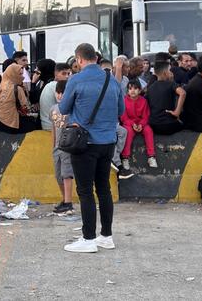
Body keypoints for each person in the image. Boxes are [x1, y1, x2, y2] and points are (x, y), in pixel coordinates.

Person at [59, 43, 123, 253]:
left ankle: (88, 239)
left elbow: (63, 107)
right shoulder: (111, 80)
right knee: (103, 188)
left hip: (85, 143)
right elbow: (120, 110)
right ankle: (106, 236)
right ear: (95, 57)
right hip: (108, 142)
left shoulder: (76, 80)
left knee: (85, 191)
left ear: (79, 59)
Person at [120, 79, 157, 170]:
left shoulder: (143, 101)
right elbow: (123, 117)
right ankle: (125, 157)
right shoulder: (124, 101)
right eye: (130, 88)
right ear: (127, 91)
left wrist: (141, 125)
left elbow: (146, 116)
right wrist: (132, 124)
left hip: (141, 124)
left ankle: (151, 156)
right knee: (127, 132)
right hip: (129, 124)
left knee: (148, 130)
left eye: (135, 88)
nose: (132, 90)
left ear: (140, 90)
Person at [0, 63, 39, 134]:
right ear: (13, 74)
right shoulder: (17, 88)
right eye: (20, 74)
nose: (22, 77)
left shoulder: (1, 86)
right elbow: (26, 107)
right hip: (11, 123)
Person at [50, 80, 75, 215]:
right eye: (58, 93)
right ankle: (64, 199)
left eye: (62, 93)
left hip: (68, 148)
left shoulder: (72, 109)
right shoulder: (53, 109)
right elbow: (53, 128)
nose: (59, 95)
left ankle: (68, 203)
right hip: (57, 148)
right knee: (58, 175)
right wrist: (53, 145)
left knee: (67, 175)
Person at [147, 61, 185, 135]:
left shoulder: (150, 87)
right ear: (165, 72)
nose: (172, 72)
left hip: (153, 125)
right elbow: (183, 93)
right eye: (170, 70)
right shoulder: (171, 84)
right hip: (169, 125)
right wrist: (177, 112)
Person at [39, 62, 71, 130]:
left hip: (47, 123)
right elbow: (65, 106)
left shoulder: (50, 85)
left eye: (68, 74)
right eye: (64, 73)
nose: (67, 76)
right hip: (52, 126)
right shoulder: (56, 86)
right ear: (56, 75)